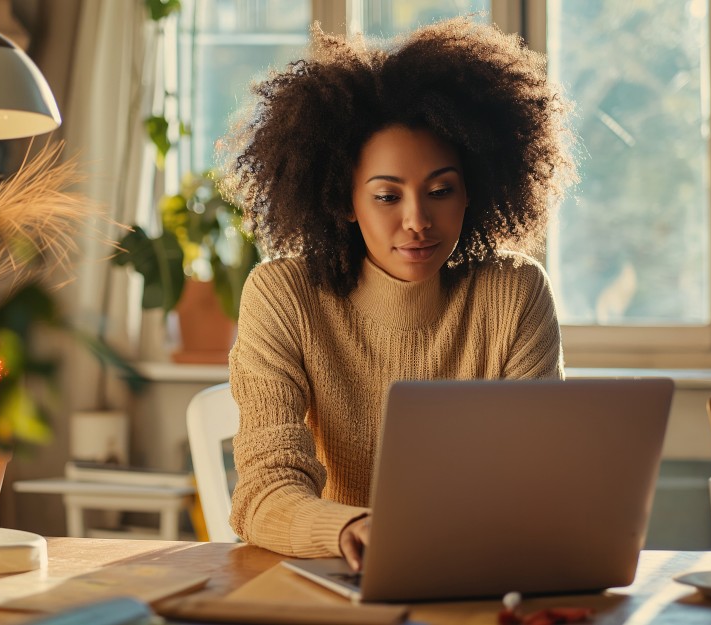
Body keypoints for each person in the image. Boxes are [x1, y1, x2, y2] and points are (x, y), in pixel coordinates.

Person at [216, 16, 576, 569]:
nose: (418, 221)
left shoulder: (514, 292)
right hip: (336, 572)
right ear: (343, 201)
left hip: (479, 572)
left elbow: (540, 476)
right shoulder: (284, 295)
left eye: (440, 190)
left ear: (472, 190)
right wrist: (352, 529)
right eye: (387, 196)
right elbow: (264, 491)